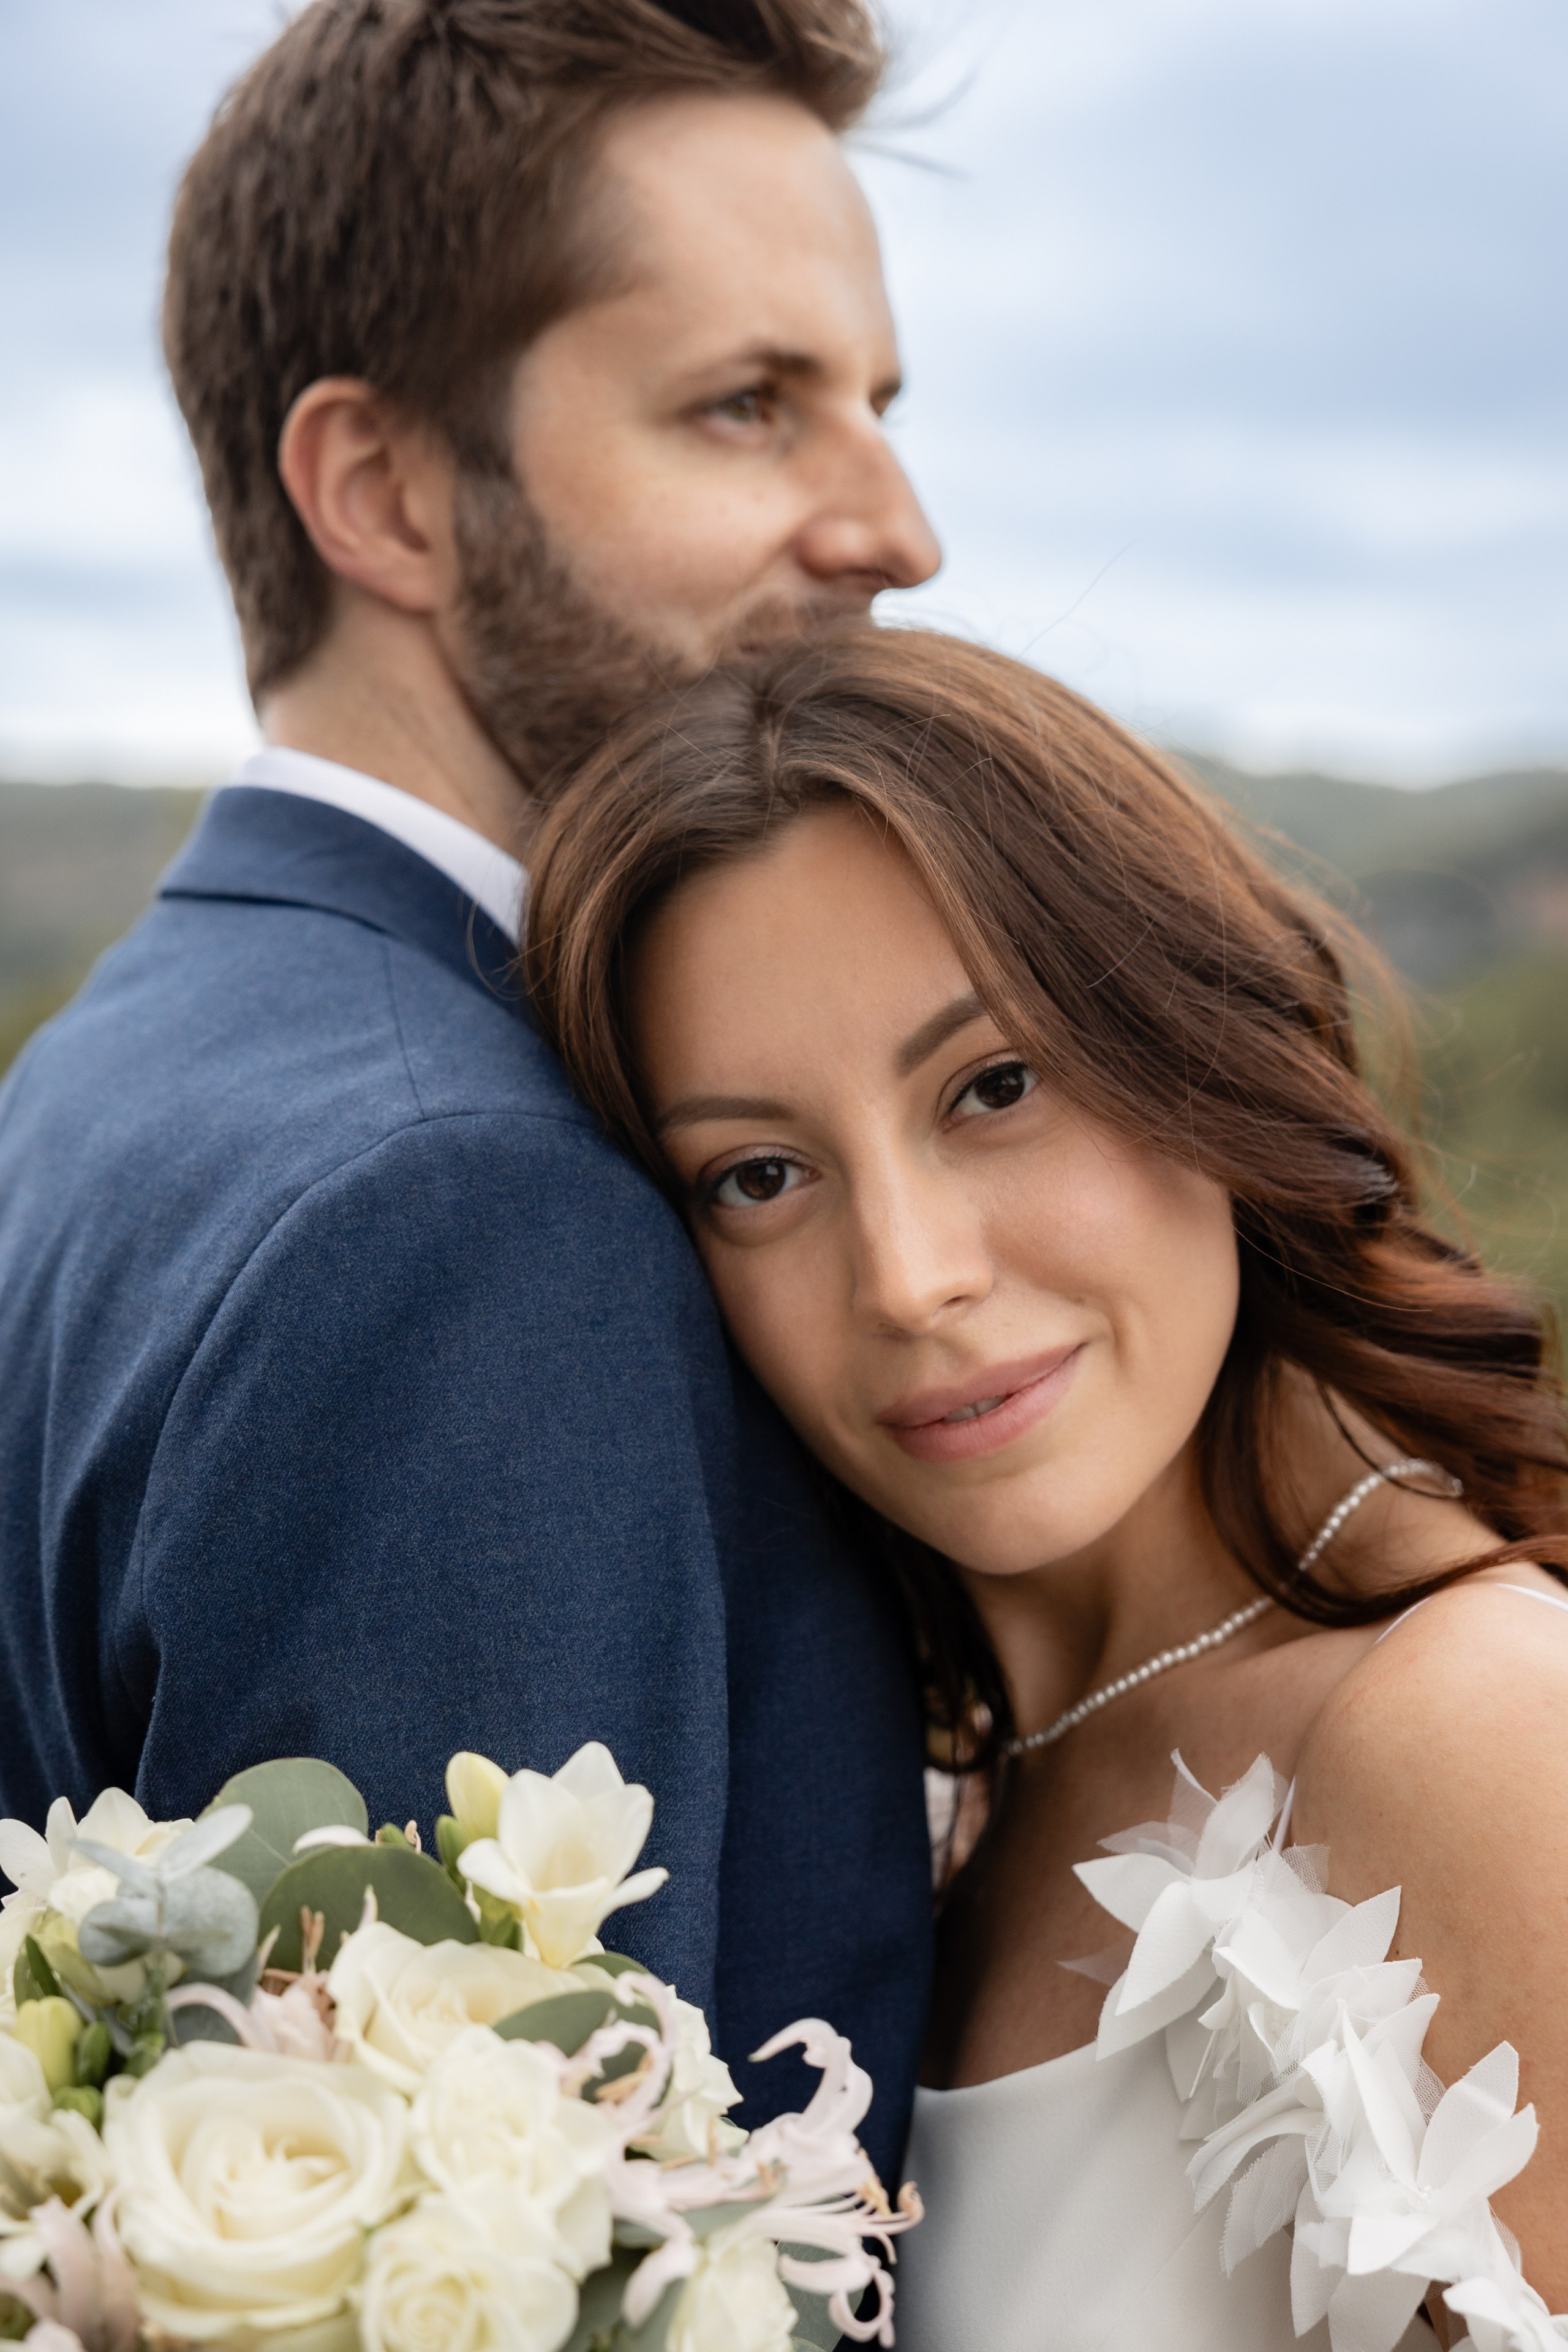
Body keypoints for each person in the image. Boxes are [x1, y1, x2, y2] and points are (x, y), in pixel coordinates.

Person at [0, 0, 941, 2173]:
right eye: (748, 409)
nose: (897, 524)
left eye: (876, 406)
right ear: (385, 493)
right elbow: (499, 2253)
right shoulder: (461, 1209)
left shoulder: (117, 1061)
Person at [522, 624, 1568, 2347]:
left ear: (1196, 1041)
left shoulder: (1472, 1730)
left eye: (995, 1087)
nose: (910, 1276)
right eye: (760, 1176)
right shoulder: (920, 1799)